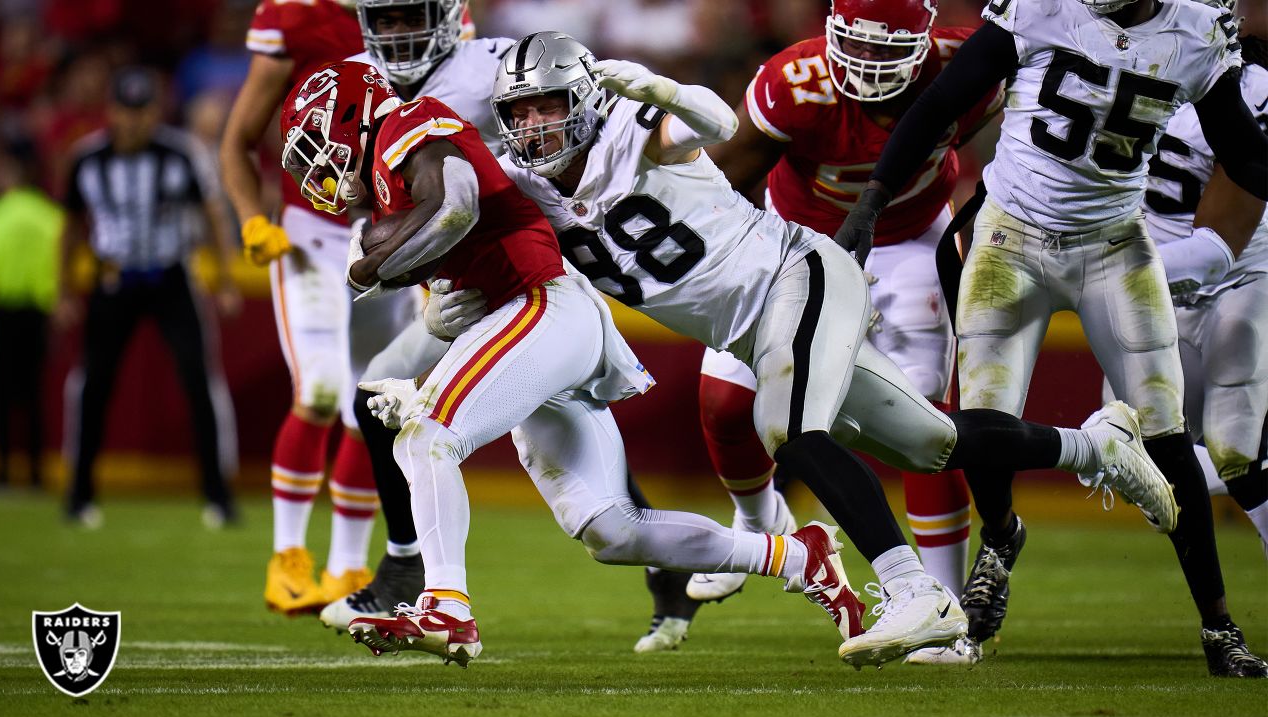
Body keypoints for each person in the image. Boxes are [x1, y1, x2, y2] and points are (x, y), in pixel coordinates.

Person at [490, 31, 1176, 668]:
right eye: (517, 113)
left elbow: (720, 125)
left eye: (545, 105)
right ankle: (1099, 448)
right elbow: (471, 231)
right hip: (754, 327)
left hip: (797, 273)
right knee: (929, 441)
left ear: (583, 97)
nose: (532, 126)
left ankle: (916, 594)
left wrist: (659, 87)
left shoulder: (633, 130)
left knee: (784, 427)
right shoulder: (524, 190)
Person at [279, 60, 865, 667]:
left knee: (424, 439)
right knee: (613, 532)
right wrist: (429, 310)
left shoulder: (409, 121)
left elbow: (454, 205)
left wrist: (375, 268)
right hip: (525, 326)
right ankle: (800, 557)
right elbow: (464, 269)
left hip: (542, 306)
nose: (316, 168)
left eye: (314, 146)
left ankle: (447, 607)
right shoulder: (386, 194)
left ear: (345, 116)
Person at [836, 0, 1268, 677]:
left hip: (1116, 246)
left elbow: (1242, 152)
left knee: (1166, 435)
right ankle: (1002, 537)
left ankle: (1218, 625)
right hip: (1011, 241)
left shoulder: (1193, 32)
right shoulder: (1040, 7)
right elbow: (943, 102)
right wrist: (872, 200)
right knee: (980, 421)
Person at [320, 0, 703, 653]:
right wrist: (424, 293)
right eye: (382, 21)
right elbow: (398, 203)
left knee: (552, 405)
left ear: (447, 16)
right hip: (463, 272)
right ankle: (411, 562)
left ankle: (417, 566)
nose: (396, 33)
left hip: (530, 254)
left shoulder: (489, 62)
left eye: (408, 16)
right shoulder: (361, 86)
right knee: (380, 394)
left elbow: (567, 100)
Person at [696, 0, 1003, 665]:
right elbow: (728, 181)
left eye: (886, 49)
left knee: (924, 426)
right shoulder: (794, 83)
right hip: (794, 242)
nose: (867, 66)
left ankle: (943, 611)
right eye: (854, 47)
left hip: (908, 242)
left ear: (924, 41)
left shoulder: (969, 65)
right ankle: (758, 527)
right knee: (724, 402)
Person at [220, 0, 401, 615]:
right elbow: (238, 141)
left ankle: (348, 565)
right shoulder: (294, 16)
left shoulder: (433, 15)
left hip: (391, 236)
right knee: (321, 390)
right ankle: (288, 556)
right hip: (313, 234)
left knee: (373, 403)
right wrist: (251, 219)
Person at [59, 66, 241, 528]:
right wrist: (64, 290)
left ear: (156, 111)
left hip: (171, 277)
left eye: (142, 110)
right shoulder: (87, 158)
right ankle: (79, 493)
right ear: (112, 111)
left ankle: (218, 496)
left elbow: (214, 213)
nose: (134, 120)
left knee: (200, 381)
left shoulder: (181, 154)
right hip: (114, 279)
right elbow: (70, 226)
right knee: (93, 385)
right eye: (126, 109)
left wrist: (223, 278)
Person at [1138, 0, 1267, 560]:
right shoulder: (1126, 60)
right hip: (1161, 279)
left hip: (1243, 271)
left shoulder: (1252, 85)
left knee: (1237, 439)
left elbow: (1219, 242)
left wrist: (1096, 275)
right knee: (1140, 458)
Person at [0, 140, 64, 491]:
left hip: (4, 312)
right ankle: (35, 473)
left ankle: (3, 471)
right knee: (33, 396)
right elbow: (57, 266)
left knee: (2, 397)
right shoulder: (50, 216)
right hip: (38, 313)